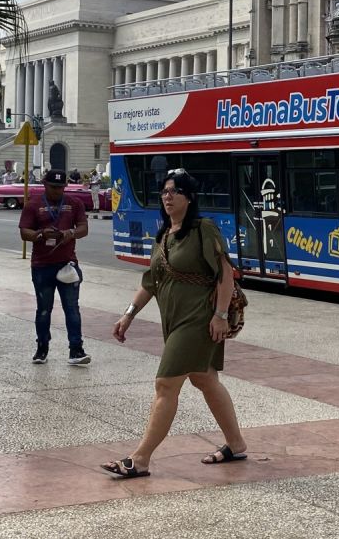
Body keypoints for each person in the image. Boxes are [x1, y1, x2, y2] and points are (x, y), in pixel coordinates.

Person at [107, 168, 246, 479]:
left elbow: (225, 273)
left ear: (190, 197)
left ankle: (140, 459)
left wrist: (220, 315)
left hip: (198, 320)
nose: (167, 196)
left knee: (166, 384)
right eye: (165, 191)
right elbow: (151, 282)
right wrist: (128, 314)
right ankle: (236, 444)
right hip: (173, 320)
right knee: (205, 380)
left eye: (175, 191)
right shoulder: (164, 235)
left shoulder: (203, 229)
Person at [18, 168, 91, 367]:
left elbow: (84, 228)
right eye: (53, 187)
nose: (57, 191)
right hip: (42, 265)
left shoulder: (74, 204)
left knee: (72, 309)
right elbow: (24, 232)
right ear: (44, 185)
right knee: (44, 309)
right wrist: (40, 234)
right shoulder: (33, 205)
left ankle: (76, 349)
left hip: (67, 263)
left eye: (61, 187)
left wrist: (71, 233)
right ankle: (42, 348)